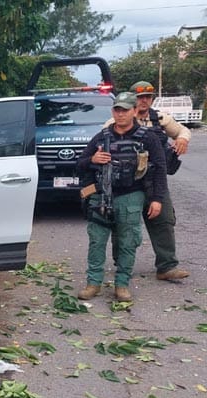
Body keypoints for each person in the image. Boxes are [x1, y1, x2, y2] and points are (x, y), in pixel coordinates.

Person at [77, 92, 168, 302]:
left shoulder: (148, 137)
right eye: (117, 110)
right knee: (97, 241)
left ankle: (122, 284)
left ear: (135, 111)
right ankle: (93, 283)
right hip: (100, 196)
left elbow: (160, 169)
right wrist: (93, 159)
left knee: (128, 242)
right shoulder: (101, 137)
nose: (120, 114)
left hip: (131, 196)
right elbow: (79, 164)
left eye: (125, 110)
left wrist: (157, 199)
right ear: (113, 111)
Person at [129, 81, 191, 281]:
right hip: (129, 183)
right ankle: (123, 267)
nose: (143, 100)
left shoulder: (160, 118)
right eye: (139, 97)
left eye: (147, 96)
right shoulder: (122, 118)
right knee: (125, 224)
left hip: (155, 180)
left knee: (164, 220)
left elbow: (183, 130)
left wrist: (182, 139)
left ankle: (167, 266)